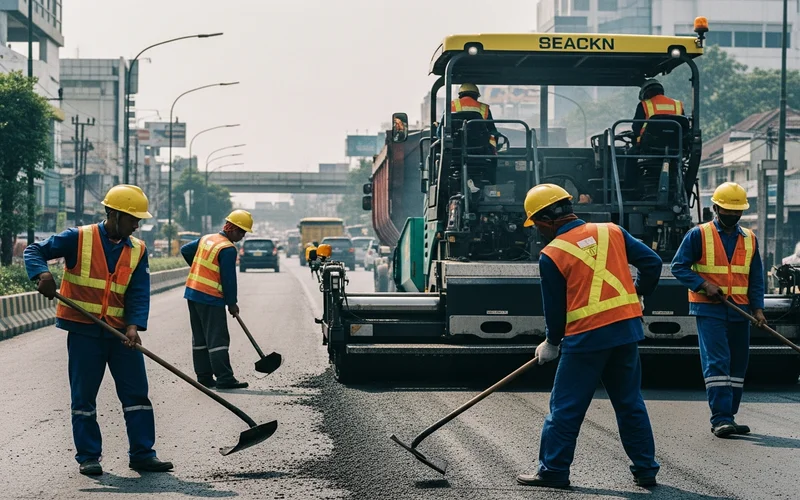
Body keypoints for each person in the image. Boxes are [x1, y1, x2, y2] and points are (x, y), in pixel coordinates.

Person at [516, 184, 662, 489]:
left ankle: (553, 471)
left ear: (547, 220)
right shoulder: (612, 231)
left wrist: (551, 342)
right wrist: (640, 292)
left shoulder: (552, 254)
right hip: (625, 332)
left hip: (586, 339)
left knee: (566, 407)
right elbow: (653, 263)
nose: (538, 231)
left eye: (537, 224)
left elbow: (555, 308)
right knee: (630, 403)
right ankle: (646, 469)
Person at [24, 185, 173, 476]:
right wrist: (41, 273)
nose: (137, 225)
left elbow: (138, 292)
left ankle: (143, 454)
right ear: (114, 215)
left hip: (120, 335)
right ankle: (89, 456)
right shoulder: (78, 237)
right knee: (84, 397)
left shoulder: (138, 250)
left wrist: (133, 326)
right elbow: (34, 251)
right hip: (84, 333)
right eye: (133, 219)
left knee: (137, 394)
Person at [671, 182, 766, 438]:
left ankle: (730, 416)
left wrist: (758, 309)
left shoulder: (750, 239)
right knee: (718, 362)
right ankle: (720, 417)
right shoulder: (699, 235)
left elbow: (756, 278)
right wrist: (703, 285)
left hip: (740, 309)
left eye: (737, 211)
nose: (732, 215)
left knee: (738, 364)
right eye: (727, 210)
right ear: (715, 208)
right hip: (710, 309)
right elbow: (679, 266)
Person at [181, 210, 253, 390]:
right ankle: (224, 378)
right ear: (231, 228)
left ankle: (204, 376)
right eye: (241, 231)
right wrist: (232, 303)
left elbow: (185, 250)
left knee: (200, 337)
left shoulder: (207, 238)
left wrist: (200, 268)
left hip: (192, 293)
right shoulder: (227, 249)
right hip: (210, 296)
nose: (243, 236)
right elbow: (228, 280)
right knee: (217, 338)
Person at [439, 83, 498, 153]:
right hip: (480, 151)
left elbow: (439, 133)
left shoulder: (450, 106)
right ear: (476, 96)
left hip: (453, 150)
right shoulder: (484, 108)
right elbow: (493, 131)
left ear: (460, 95)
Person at [633, 79, 684, 143]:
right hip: (675, 143)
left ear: (646, 93)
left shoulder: (643, 105)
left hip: (650, 144)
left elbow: (636, 126)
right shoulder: (677, 105)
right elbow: (683, 125)